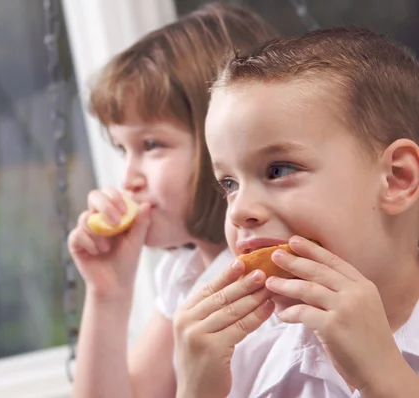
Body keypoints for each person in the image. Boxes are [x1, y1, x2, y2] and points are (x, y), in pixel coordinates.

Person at [174, 26, 419, 397]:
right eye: (229, 184)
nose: (240, 210)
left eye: (278, 170)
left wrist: (385, 381)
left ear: (397, 178)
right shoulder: (240, 354)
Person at [67, 3, 278, 397]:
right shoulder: (185, 273)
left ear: (222, 143)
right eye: (121, 149)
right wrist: (107, 293)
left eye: (151, 145)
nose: (128, 179)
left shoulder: (264, 279)